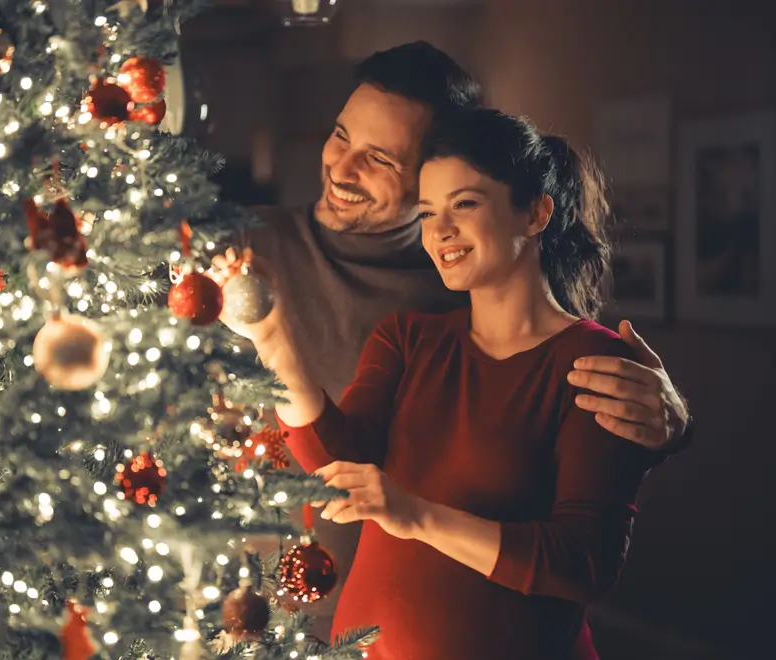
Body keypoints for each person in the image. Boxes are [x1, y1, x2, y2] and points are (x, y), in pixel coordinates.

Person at [243, 41, 691, 639]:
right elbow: (340, 461)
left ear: (536, 215)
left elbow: (583, 562)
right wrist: (271, 337)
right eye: (430, 211)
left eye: (465, 204)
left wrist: (414, 513)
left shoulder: (590, 361)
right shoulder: (408, 336)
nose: (440, 232)